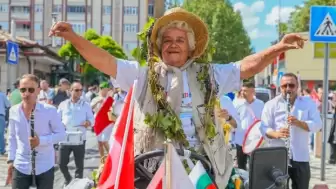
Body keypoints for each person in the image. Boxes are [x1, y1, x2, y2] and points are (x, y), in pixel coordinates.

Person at [49, 7, 306, 187]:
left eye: (180, 40)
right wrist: (73, 36)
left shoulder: (210, 74)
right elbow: (105, 61)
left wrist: (279, 47)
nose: (173, 44)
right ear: (160, 46)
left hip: (204, 168)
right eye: (168, 40)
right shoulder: (141, 74)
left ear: (191, 46)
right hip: (151, 170)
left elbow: (246, 66)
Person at [260, 73, 322, 189]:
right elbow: (263, 127)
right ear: (280, 87)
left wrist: (299, 123)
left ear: (297, 86)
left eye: (291, 85)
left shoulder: (308, 103)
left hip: (301, 157)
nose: (288, 89)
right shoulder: (271, 104)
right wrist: (276, 134)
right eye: (284, 86)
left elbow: (318, 125)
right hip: (278, 157)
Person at [7, 74, 66, 189]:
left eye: (31, 89)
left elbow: (61, 134)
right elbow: (12, 137)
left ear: (38, 90)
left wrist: (41, 141)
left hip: (44, 165)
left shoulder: (49, 110)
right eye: (23, 89)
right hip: (21, 165)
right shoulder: (13, 111)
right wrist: (10, 160)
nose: (27, 93)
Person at [57, 81, 94, 187]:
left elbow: (92, 119)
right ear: (70, 91)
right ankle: (68, 179)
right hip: (65, 138)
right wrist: (60, 125)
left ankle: (77, 185)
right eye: (77, 90)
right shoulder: (63, 104)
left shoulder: (86, 105)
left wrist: (88, 122)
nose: (79, 92)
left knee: (79, 166)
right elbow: (56, 119)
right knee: (61, 163)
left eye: (81, 90)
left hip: (79, 138)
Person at [233, 82, 264, 170]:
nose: (243, 93)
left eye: (245, 91)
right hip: (240, 141)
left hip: (255, 141)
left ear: (253, 92)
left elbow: (264, 121)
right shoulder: (237, 104)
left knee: (254, 167)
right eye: (242, 90)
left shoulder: (260, 104)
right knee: (241, 167)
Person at [90, 82, 113, 162]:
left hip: (107, 122)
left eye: (107, 90)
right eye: (104, 90)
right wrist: (97, 102)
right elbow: (90, 107)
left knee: (105, 140)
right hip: (98, 121)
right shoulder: (96, 98)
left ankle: (111, 156)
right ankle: (102, 159)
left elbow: (112, 108)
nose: (105, 91)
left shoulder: (110, 98)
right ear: (100, 89)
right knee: (100, 142)